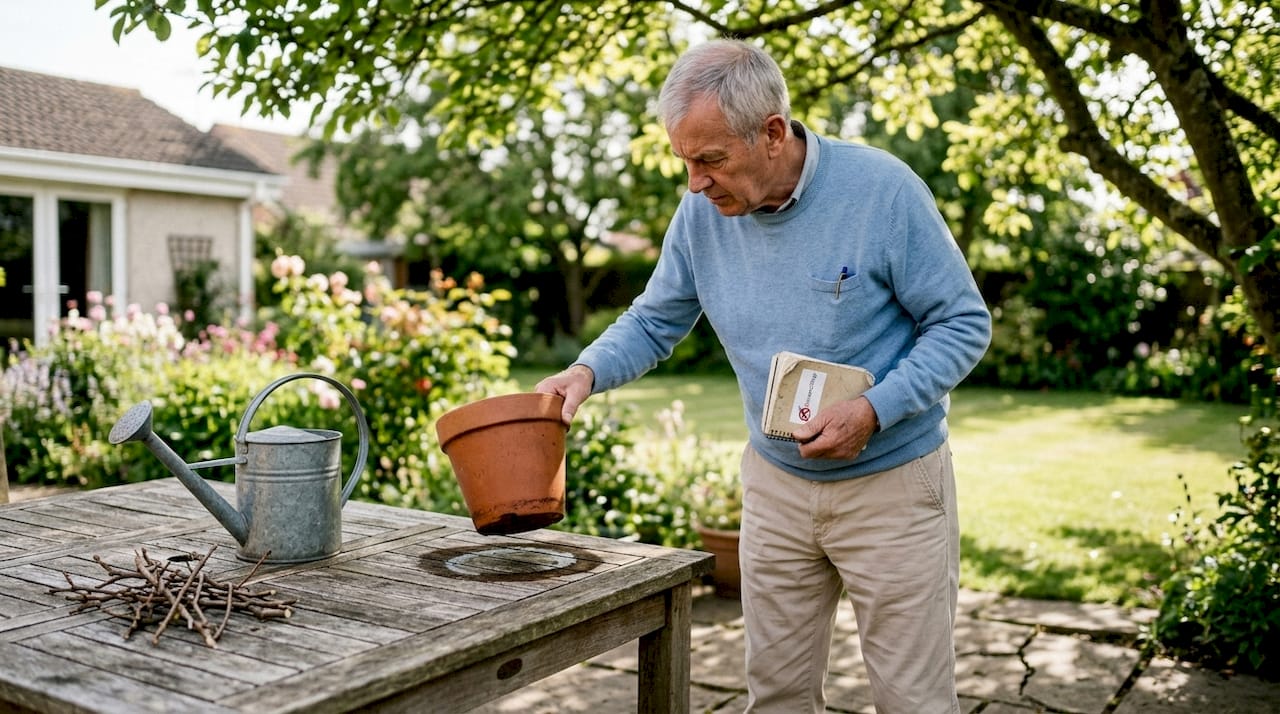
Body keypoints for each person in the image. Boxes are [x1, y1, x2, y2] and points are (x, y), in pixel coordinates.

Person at [535, 39, 991, 714]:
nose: (695, 182)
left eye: (711, 159)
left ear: (773, 133)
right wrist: (585, 372)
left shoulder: (883, 192)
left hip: (893, 489)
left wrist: (874, 410)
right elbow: (655, 318)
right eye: (685, 161)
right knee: (776, 696)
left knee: (913, 701)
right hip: (776, 488)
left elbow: (962, 323)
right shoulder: (701, 213)